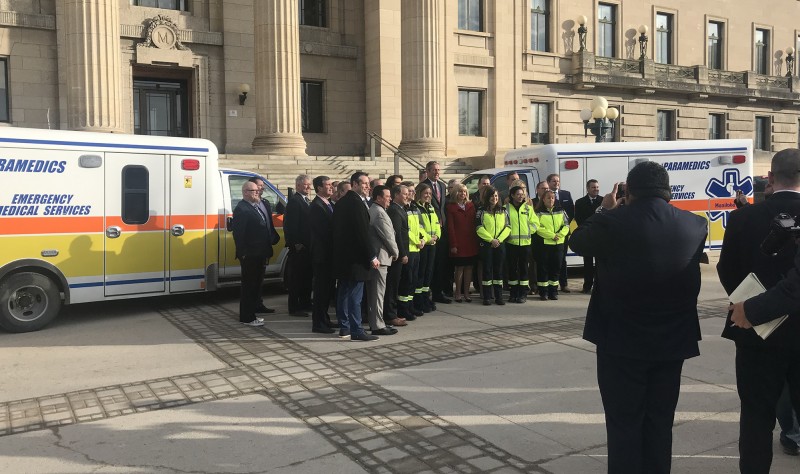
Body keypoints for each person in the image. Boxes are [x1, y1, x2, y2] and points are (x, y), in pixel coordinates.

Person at [570, 161, 708, 474]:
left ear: (628, 191)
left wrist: (605, 209)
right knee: (660, 422)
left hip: (621, 340)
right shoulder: (695, 224)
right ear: (668, 190)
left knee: (623, 424)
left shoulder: (613, 220)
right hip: (672, 340)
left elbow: (577, 242)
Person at [717, 148, 800, 473]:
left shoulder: (743, 218)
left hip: (756, 331)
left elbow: (727, 270)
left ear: (770, 177)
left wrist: (747, 304)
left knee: (755, 418)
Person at [331, 172, 380, 341]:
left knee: (344, 292)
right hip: (355, 259)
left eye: (368, 184)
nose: (367, 186)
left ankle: (345, 328)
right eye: (364, 183)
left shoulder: (342, 202)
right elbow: (362, 233)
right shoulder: (355, 203)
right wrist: (372, 256)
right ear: (355, 184)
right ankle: (356, 329)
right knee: (354, 295)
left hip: (343, 257)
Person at [232, 180, 280, 327]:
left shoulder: (254, 207)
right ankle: (247, 317)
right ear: (246, 193)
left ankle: (251, 314)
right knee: (249, 287)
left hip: (259, 254)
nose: (258, 193)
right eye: (254, 191)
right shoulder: (242, 209)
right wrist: (244, 253)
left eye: (257, 191)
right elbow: (239, 234)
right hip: (250, 255)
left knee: (255, 286)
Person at [367, 185, 399, 336]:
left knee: (376, 293)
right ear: (379, 197)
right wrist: (396, 252)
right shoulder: (379, 213)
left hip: (379, 258)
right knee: (378, 293)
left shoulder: (376, 210)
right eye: (387, 196)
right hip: (380, 258)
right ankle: (377, 325)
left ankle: (377, 322)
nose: (390, 199)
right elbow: (388, 236)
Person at [309, 175, 337, 334]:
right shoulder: (317, 206)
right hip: (322, 255)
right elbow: (323, 232)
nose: (331, 187)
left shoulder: (327, 204)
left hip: (328, 254)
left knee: (327, 289)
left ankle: (325, 318)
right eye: (327, 185)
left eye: (331, 184)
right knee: (321, 290)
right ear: (319, 188)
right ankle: (318, 323)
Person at [249, 177, 279, 314]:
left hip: (265, 246)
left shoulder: (265, 203)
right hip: (254, 249)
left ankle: (258, 303)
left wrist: (273, 237)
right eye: (260, 185)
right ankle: (252, 306)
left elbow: (269, 223)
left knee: (260, 278)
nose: (262, 188)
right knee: (252, 280)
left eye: (262, 186)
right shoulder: (248, 205)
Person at [284, 174, 313, 317]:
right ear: (298, 186)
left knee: (306, 278)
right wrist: (296, 244)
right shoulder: (295, 201)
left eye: (309, 185)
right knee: (296, 279)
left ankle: (305, 303)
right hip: (299, 248)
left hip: (308, 247)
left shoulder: (306, 201)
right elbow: (291, 225)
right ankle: (295, 307)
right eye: (306, 184)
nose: (309, 187)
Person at [423, 160, 452, 304]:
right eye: (434, 170)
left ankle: (438, 292)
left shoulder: (442, 185)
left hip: (442, 230)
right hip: (430, 231)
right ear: (427, 171)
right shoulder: (424, 186)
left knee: (441, 263)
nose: (437, 172)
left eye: (438, 170)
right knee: (431, 265)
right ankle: (427, 293)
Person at [476, 186, 510, 306]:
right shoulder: (481, 211)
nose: (494, 198)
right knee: (487, 271)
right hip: (487, 245)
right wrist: (491, 240)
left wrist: (499, 240)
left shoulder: (503, 211)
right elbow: (479, 228)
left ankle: (499, 297)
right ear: (487, 197)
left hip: (500, 245)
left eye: (496, 196)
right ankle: (487, 297)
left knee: (498, 271)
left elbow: (508, 227)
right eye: (491, 196)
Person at [505, 185, 539, 303]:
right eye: (518, 194)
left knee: (524, 268)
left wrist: (529, 231)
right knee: (512, 269)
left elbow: (535, 223)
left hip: (525, 244)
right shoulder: (506, 208)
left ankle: (523, 293)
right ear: (512, 195)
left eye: (522, 194)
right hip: (511, 243)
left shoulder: (528, 208)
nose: (520, 196)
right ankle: (513, 292)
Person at [447, 183, 479, 303]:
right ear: (455, 193)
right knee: (459, 268)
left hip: (471, 241)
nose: (463, 194)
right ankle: (458, 293)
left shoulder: (471, 205)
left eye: (465, 191)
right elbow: (451, 227)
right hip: (459, 242)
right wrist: (453, 244)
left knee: (469, 268)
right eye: (460, 191)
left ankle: (466, 293)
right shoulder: (451, 207)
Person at [535, 190, 569, 301]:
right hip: (545, 245)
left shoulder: (561, 210)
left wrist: (559, 235)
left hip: (559, 244)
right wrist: (552, 235)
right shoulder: (538, 212)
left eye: (553, 198)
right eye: (548, 198)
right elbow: (538, 227)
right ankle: (543, 292)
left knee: (556, 268)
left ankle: (553, 292)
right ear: (543, 199)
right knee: (543, 268)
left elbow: (566, 225)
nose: (551, 200)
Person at [384, 185, 410, 326]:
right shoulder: (394, 210)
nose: (407, 196)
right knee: (392, 285)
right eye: (405, 194)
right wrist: (402, 254)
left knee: (396, 285)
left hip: (401, 252)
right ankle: (390, 315)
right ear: (397, 195)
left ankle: (393, 312)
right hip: (397, 255)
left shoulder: (401, 209)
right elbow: (397, 234)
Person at [414, 183, 440, 313]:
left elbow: (436, 224)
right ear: (419, 193)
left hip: (432, 245)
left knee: (428, 273)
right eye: (425, 193)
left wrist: (436, 236)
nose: (428, 196)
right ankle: (418, 301)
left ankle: (425, 298)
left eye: (430, 193)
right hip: (424, 245)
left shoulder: (430, 207)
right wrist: (428, 239)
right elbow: (419, 227)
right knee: (421, 273)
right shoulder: (416, 208)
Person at [574, 179, 602, 294]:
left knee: (600, 264)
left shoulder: (603, 200)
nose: (596, 189)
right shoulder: (580, 202)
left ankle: (600, 286)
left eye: (597, 187)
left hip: (600, 236)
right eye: (593, 187)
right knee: (588, 264)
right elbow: (579, 219)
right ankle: (587, 286)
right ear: (587, 189)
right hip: (587, 236)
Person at [547, 173, 574, 293]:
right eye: (554, 181)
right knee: (550, 259)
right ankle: (550, 284)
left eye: (558, 181)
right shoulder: (546, 195)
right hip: (549, 235)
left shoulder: (566, 194)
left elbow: (571, 213)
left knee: (562, 259)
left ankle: (564, 284)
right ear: (548, 183)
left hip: (563, 233)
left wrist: (563, 230)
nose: (556, 183)